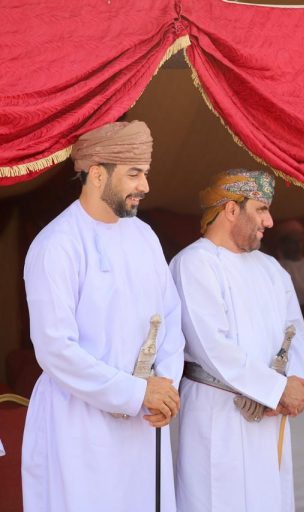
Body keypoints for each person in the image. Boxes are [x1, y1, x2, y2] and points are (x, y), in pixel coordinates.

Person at [22, 121, 184, 511]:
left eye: (145, 173)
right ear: (97, 175)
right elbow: (55, 348)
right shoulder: (57, 244)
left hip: (144, 422)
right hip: (78, 426)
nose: (145, 186)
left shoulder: (145, 236)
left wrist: (164, 387)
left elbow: (170, 319)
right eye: (134, 174)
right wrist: (135, 392)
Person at [170, 169, 304, 511]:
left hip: (271, 413)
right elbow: (211, 346)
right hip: (219, 412)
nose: (270, 221)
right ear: (231, 209)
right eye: (261, 209)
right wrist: (275, 389)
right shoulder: (194, 263)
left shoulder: (272, 268)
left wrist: (293, 382)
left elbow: (296, 333)